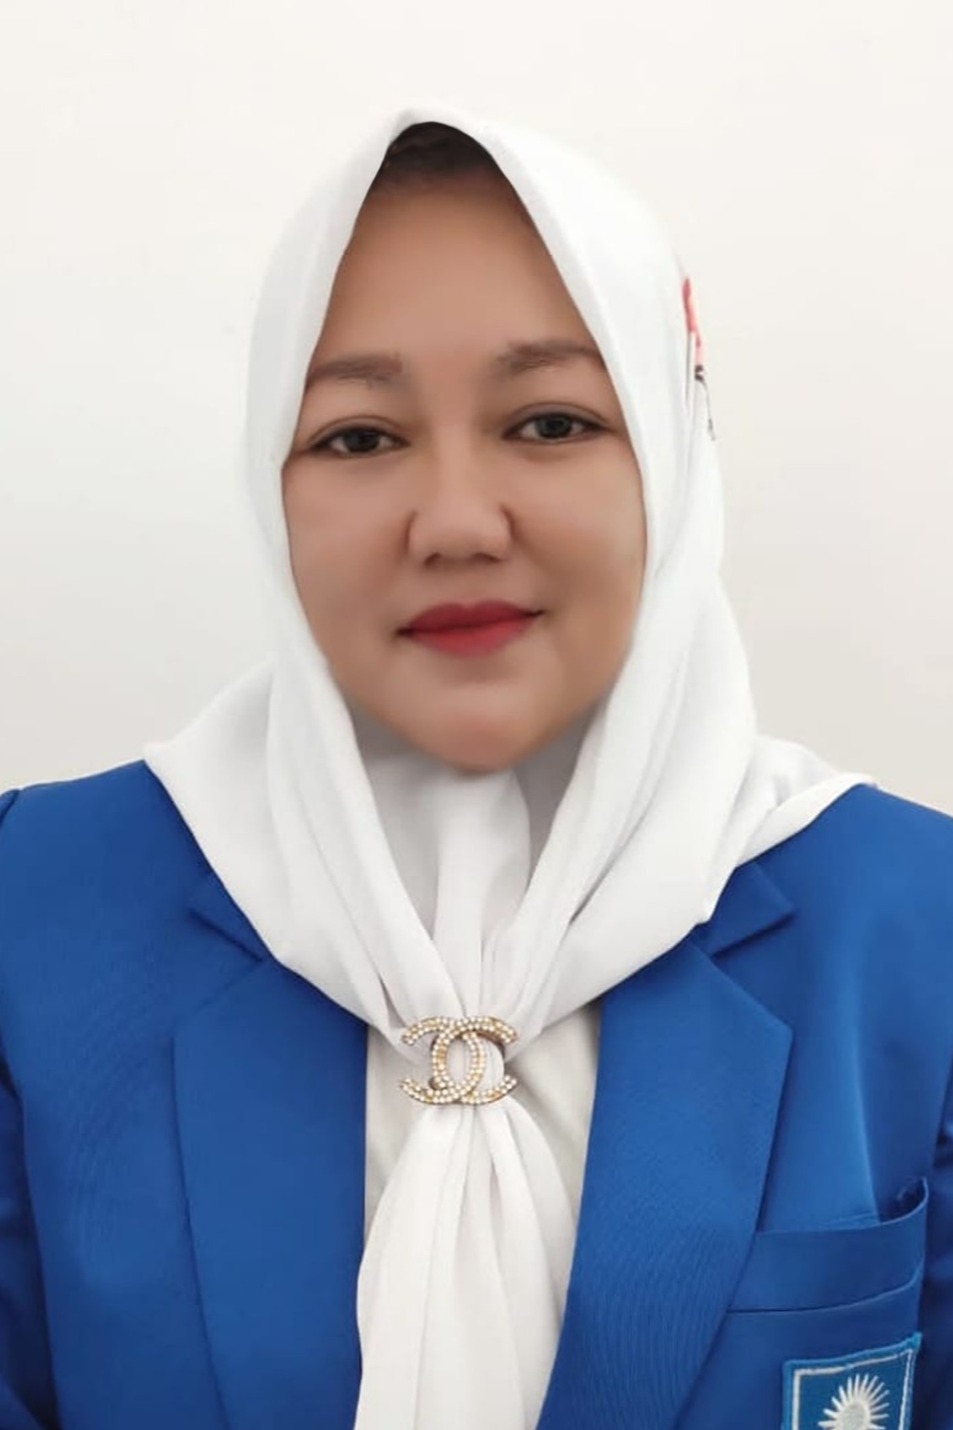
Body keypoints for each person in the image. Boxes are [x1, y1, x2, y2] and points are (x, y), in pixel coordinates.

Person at [0, 99, 950, 1430]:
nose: (453, 522)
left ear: (672, 455)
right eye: (358, 436)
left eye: (549, 421)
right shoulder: (36, 905)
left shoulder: (910, 926)